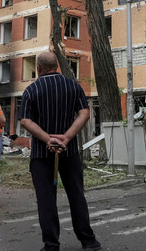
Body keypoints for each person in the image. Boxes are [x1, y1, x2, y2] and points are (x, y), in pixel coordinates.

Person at [20, 51, 101, 251]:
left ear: (38, 68)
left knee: (46, 199)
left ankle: (51, 245)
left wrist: (48, 138)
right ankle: (88, 241)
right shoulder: (73, 86)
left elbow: (25, 120)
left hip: (41, 153)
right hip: (69, 151)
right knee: (76, 195)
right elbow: (84, 112)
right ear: (57, 66)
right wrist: (67, 136)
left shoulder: (31, 90)